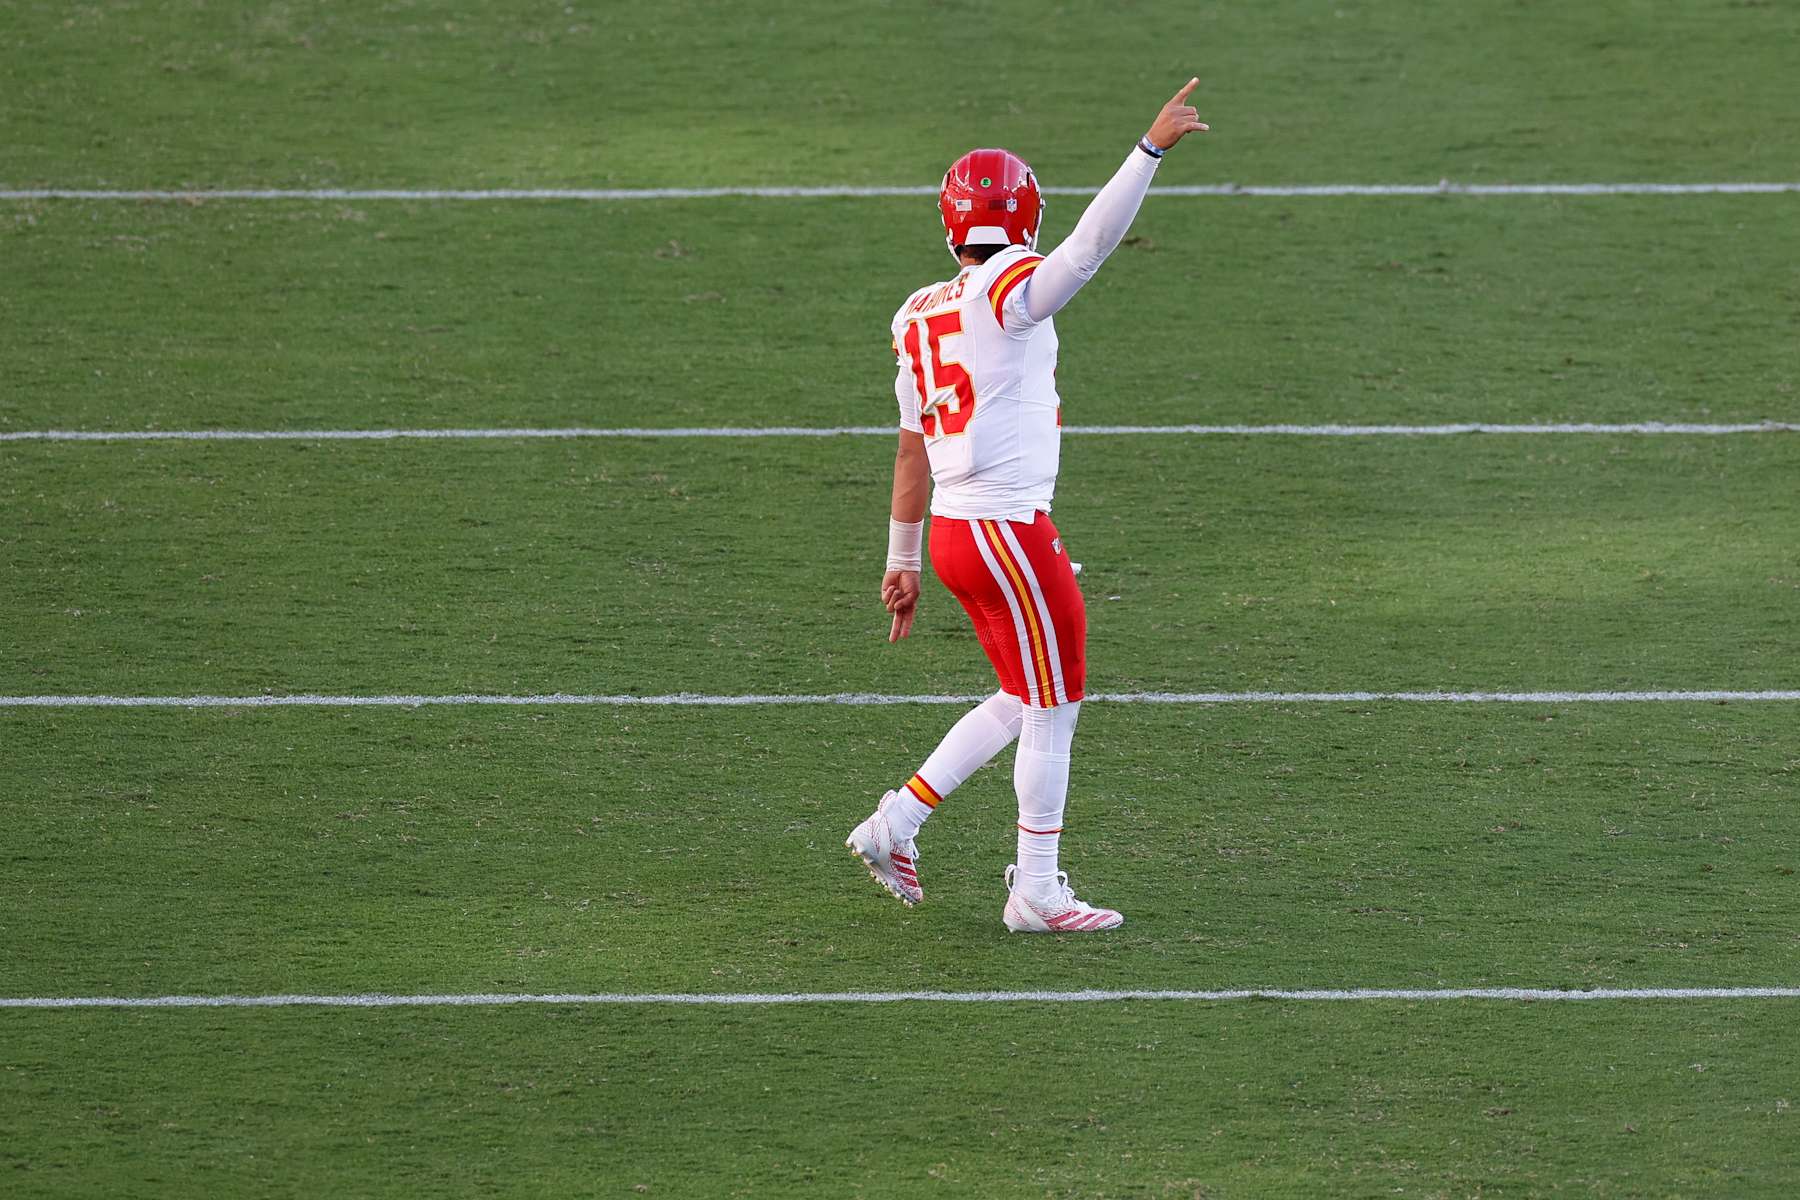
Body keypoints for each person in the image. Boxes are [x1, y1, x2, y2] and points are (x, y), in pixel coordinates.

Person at [847, 79, 1208, 933]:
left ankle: (897, 821)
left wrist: (902, 560)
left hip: (955, 533)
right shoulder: (1005, 289)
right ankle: (1036, 891)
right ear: (1024, 218)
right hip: (1006, 527)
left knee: (1024, 691)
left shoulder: (917, 313)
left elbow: (910, 448)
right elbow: (1086, 252)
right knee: (1055, 701)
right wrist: (1147, 152)